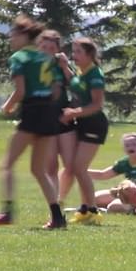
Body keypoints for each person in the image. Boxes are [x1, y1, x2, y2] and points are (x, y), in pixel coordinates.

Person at [0, 14, 65, 230]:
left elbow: (21, 90)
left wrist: (8, 106)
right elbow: (57, 89)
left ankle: (7, 212)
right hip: (49, 114)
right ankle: (58, 218)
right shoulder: (46, 58)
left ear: (24, 35)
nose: (11, 39)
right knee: (39, 170)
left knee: (7, 164)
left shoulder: (19, 57)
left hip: (32, 112)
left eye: (13, 35)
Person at [60, 37, 108, 225]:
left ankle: (93, 211)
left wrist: (73, 113)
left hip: (94, 125)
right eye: (74, 51)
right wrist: (65, 68)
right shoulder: (82, 72)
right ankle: (85, 209)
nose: (75, 55)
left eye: (79, 51)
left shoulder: (95, 74)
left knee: (79, 168)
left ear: (89, 54)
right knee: (75, 168)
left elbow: (97, 105)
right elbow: (76, 85)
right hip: (83, 124)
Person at [36, 30, 77, 206]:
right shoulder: (34, 65)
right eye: (44, 47)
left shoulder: (61, 64)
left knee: (71, 165)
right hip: (45, 119)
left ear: (57, 49)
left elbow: (76, 84)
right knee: (50, 166)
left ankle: (60, 199)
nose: (47, 50)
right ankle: (54, 206)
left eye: (51, 47)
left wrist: (65, 66)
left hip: (64, 118)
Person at [89, 133, 136, 213]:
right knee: (94, 198)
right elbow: (102, 175)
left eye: (134, 144)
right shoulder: (124, 162)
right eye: (127, 145)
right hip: (127, 194)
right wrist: (80, 171)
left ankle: (134, 210)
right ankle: (96, 209)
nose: (130, 147)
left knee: (113, 206)